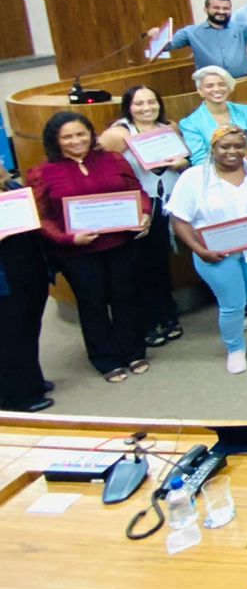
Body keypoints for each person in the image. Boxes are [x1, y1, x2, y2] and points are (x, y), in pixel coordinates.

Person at [28, 110, 150, 383]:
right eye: (67, 137)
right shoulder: (43, 173)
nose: (75, 141)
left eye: (80, 134)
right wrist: (67, 239)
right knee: (92, 303)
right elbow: (40, 216)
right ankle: (106, 359)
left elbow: (137, 190)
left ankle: (133, 351)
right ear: (55, 141)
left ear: (91, 134)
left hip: (120, 242)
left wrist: (144, 213)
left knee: (126, 296)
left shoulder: (113, 159)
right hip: (78, 252)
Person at [167, 127, 247, 374]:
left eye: (238, 146)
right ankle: (235, 348)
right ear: (213, 148)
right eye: (224, 146)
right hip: (214, 253)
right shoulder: (194, 177)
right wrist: (198, 250)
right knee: (232, 303)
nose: (232, 151)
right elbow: (180, 220)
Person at [97, 84, 187, 349]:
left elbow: (183, 158)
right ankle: (146, 321)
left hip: (167, 201)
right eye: (139, 104)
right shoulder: (117, 133)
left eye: (152, 102)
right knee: (138, 268)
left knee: (160, 264)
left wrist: (182, 163)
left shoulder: (169, 126)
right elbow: (98, 166)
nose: (146, 108)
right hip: (138, 207)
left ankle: (166, 314)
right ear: (128, 106)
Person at [0, 174, 51, 411]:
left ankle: (32, 380)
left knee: (30, 328)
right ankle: (17, 397)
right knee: (11, 336)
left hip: (30, 269)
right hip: (4, 280)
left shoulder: (11, 186)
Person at [153, 0, 247, 80]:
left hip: (242, 81)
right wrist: (154, 37)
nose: (221, 11)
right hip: (210, 86)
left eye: (225, 8)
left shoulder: (241, 28)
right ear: (206, 9)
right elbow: (167, 46)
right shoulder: (190, 32)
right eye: (216, 8)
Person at [178, 65, 247, 164]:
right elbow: (199, 158)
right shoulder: (190, 123)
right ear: (200, 91)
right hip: (215, 174)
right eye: (209, 86)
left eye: (222, 84)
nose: (216, 89)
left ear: (229, 87)